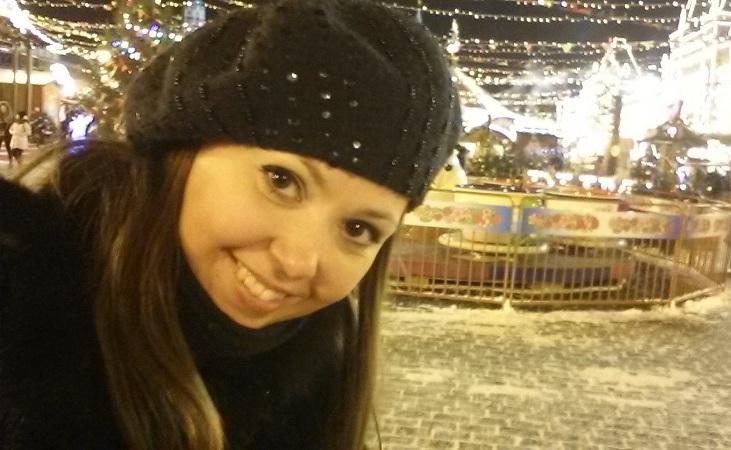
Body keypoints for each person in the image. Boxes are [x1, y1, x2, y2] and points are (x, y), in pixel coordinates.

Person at [0, 0, 460, 449]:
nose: (297, 262)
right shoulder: (18, 294)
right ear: (184, 145)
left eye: (358, 229)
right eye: (282, 181)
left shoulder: (314, 379)